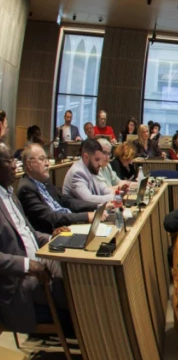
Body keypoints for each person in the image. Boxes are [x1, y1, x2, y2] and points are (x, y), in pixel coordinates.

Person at [0, 142, 73, 337]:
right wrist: (27, 265)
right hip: (18, 281)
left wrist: (52, 237)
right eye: (9, 161)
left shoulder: (10, 194)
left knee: (76, 272)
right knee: (71, 289)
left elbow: (29, 233)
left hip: (40, 261)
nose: (16, 166)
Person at [17, 143, 101, 234]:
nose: (47, 163)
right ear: (29, 164)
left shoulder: (44, 180)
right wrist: (86, 216)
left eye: (47, 158)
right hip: (55, 233)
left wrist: (97, 206)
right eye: (42, 159)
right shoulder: (26, 189)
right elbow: (51, 217)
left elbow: (66, 201)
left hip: (69, 224)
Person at [62, 139, 126, 205]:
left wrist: (119, 194)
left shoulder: (91, 168)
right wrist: (114, 197)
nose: (100, 164)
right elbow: (88, 199)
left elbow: (103, 189)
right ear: (86, 157)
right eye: (97, 159)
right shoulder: (77, 173)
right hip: (80, 213)